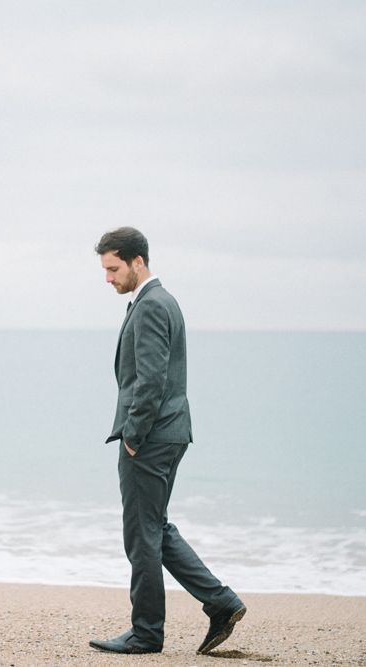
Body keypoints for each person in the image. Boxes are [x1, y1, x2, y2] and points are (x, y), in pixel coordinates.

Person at [89, 227, 246, 655]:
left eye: (113, 268)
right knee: (154, 527)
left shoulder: (153, 305)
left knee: (141, 534)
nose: (107, 278)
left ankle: (146, 633)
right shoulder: (155, 302)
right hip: (168, 432)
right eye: (104, 269)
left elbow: (151, 379)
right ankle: (221, 602)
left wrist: (134, 436)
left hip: (152, 435)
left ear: (138, 261)